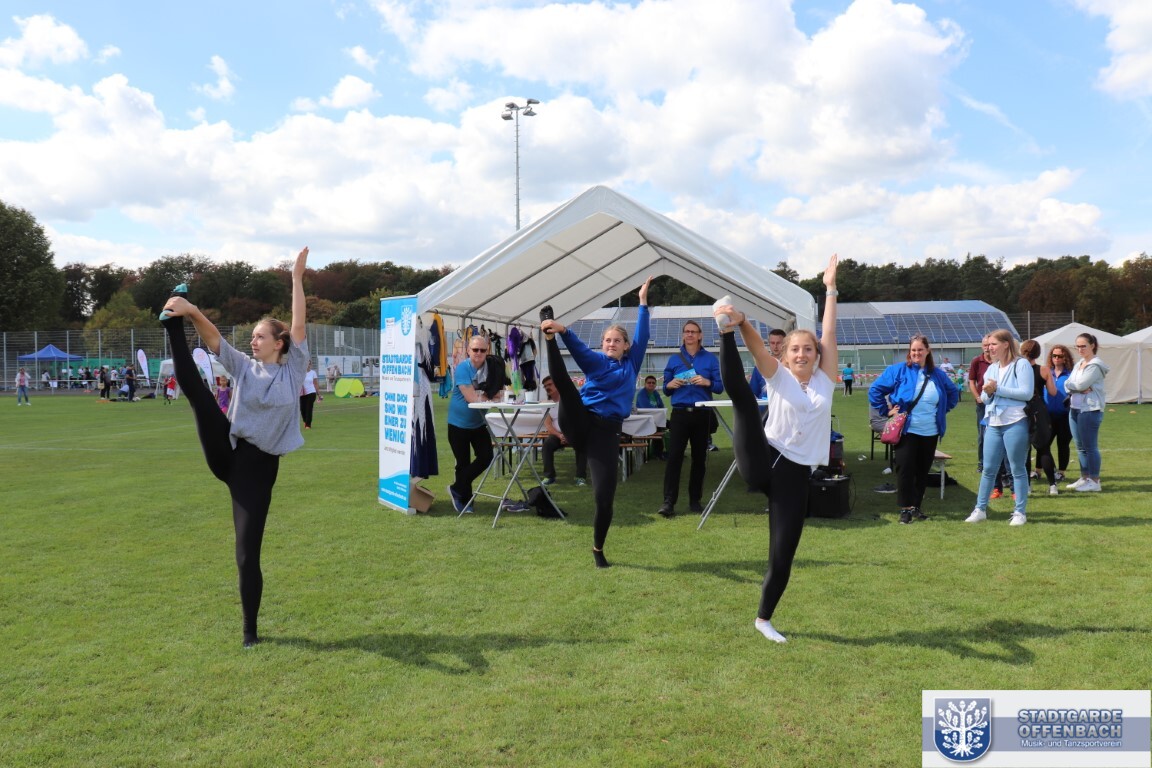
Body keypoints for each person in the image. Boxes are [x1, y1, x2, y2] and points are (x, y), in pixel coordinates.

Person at [159, 246, 311, 648]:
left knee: (246, 554)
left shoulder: (293, 369)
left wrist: (296, 279)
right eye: (253, 337)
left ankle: (250, 633)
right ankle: (172, 322)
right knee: (198, 394)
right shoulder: (245, 366)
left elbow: (298, 323)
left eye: (260, 336)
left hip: (257, 474)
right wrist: (191, 312)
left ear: (279, 344)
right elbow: (214, 340)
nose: (253, 341)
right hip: (229, 451)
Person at [714, 254, 838, 644]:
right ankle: (723, 332)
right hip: (763, 457)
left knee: (782, 554)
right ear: (786, 355)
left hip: (795, 475)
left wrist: (830, 289)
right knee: (744, 403)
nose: (801, 354)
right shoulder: (779, 376)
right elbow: (759, 353)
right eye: (795, 349)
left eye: (808, 350)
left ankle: (763, 619)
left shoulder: (826, 382)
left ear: (817, 356)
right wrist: (741, 323)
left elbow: (829, 331)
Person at [539, 276, 653, 568]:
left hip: (606, 434)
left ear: (626, 346)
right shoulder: (597, 362)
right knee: (565, 386)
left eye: (617, 341)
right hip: (581, 422)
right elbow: (579, 349)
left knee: (604, 498)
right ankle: (548, 337)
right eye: (607, 340)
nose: (612, 344)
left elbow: (642, 334)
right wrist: (563, 331)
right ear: (602, 345)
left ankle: (598, 549)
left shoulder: (631, 364)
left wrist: (642, 302)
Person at [868, 335, 960, 524]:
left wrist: (941, 411)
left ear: (928, 351)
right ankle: (905, 509)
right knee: (905, 469)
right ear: (909, 352)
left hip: (930, 431)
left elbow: (952, 393)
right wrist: (886, 410)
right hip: (906, 430)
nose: (916, 353)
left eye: (920, 349)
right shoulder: (898, 370)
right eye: (913, 350)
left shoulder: (938, 374)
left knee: (922, 471)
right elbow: (875, 390)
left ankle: (916, 507)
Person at [965, 329, 1034, 526]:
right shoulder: (992, 368)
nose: (989, 348)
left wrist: (997, 389)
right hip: (993, 422)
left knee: (1017, 468)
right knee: (988, 469)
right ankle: (980, 509)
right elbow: (985, 398)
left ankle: (1020, 512)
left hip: (1015, 421)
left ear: (1006, 344)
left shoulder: (1021, 364)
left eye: (993, 344)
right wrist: (987, 392)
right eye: (988, 345)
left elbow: (1026, 393)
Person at [659, 320, 723, 517]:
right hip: (680, 414)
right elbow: (665, 389)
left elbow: (719, 387)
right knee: (674, 458)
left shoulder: (710, 359)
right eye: (687, 331)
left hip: (702, 414)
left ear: (700, 335)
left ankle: (695, 501)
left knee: (699, 459)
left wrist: (707, 381)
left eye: (693, 332)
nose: (690, 335)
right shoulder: (674, 359)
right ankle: (668, 502)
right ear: (683, 335)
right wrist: (669, 385)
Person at [446, 334, 498, 514]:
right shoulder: (463, 368)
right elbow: (471, 398)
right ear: (468, 350)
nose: (479, 353)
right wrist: (488, 395)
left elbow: (500, 392)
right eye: (475, 349)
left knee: (486, 457)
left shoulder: (492, 367)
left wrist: (487, 395)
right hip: (458, 424)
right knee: (462, 463)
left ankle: (456, 488)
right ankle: (465, 499)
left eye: (483, 350)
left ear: (487, 351)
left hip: (478, 424)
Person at [1065, 333, 1109, 493]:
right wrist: (1075, 387)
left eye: (1083, 346)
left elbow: (1080, 384)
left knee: (1090, 447)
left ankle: (1095, 481)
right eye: (1077, 346)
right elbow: (1068, 384)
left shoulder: (1095, 366)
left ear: (1092, 345)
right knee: (1080, 447)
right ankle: (1085, 478)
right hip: (1075, 408)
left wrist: (1075, 386)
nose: (1080, 349)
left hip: (1090, 410)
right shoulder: (1079, 364)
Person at [1020, 340, 1058, 495]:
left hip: (1022, 409)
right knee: (1043, 448)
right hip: (1038, 409)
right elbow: (1053, 392)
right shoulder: (1044, 369)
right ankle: (1052, 485)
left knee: (1024, 450)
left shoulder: (1017, 369)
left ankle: (1027, 486)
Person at [539, 375, 587, 486]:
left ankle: (580, 477)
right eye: (545, 386)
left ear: (557, 385)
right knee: (547, 445)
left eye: (550, 384)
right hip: (558, 435)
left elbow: (579, 420)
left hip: (574, 433)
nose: (547, 387)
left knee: (582, 443)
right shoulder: (546, 404)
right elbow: (548, 425)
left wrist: (569, 434)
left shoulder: (571, 400)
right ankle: (549, 476)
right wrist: (560, 436)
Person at [1043, 344, 1074, 483]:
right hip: (1047, 415)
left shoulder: (1071, 374)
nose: (1056, 358)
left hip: (1065, 415)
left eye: (1060, 356)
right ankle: (1043, 470)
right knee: (1044, 444)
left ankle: (1061, 472)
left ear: (1065, 357)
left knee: (1063, 444)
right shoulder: (1046, 373)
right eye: (1054, 355)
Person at [967, 336, 993, 473]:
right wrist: (977, 397)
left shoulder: (998, 361)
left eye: (989, 344)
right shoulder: (977, 361)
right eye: (985, 345)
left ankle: (999, 465)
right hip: (982, 404)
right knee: (983, 434)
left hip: (996, 402)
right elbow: (971, 381)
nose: (987, 347)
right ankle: (982, 463)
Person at [634, 375, 667, 460]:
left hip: (655, 419)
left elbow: (661, 406)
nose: (651, 384)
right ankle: (658, 453)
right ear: (645, 384)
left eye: (653, 383)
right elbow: (646, 408)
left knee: (673, 424)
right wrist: (658, 413)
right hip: (644, 421)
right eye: (649, 383)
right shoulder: (642, 394)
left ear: (655, 385)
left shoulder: (655, 393)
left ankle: (669, 451)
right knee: (660, 427)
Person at [300, 361, 318, 429]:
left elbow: (315, 383)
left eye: (309, 364)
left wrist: (318, 393)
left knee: (309, 408)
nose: (308, 365)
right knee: (302, 409)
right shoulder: (301, 372)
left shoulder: (313, 373)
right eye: (306, 364)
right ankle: (305, 421)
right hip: (302, 393)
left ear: (310, 365)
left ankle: (308, 425)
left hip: (311, 392)